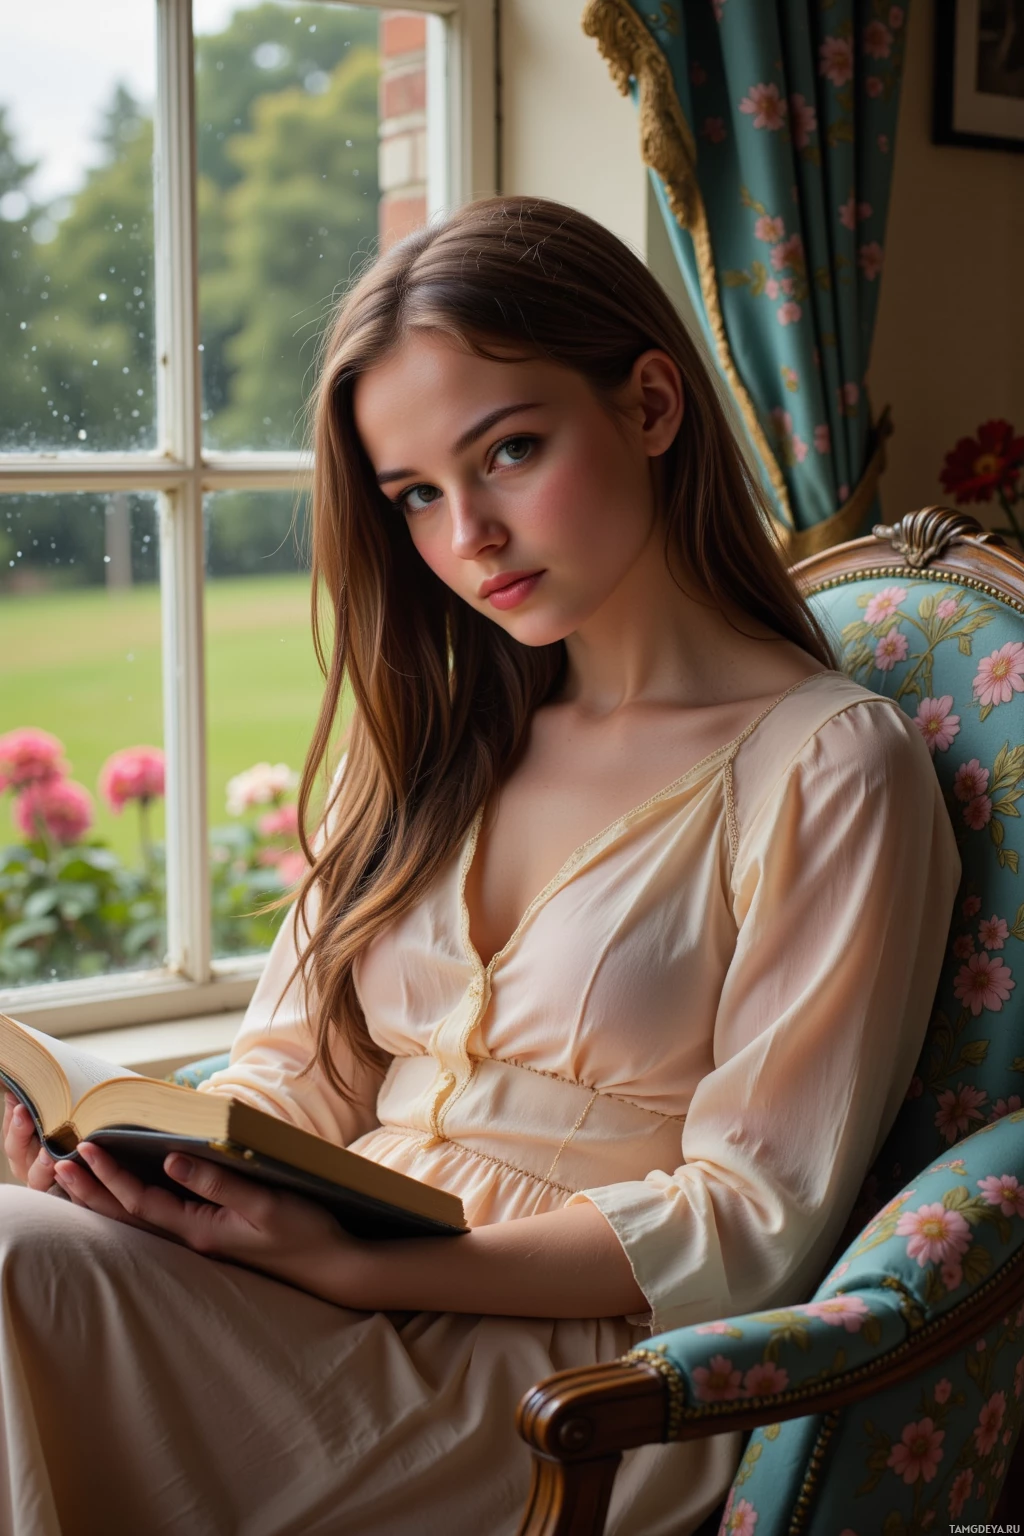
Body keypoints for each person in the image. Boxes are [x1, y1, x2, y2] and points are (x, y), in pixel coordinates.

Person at [0, 196, 960, 1536]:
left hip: (570, 1373)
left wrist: (368, 1271)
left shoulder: (826, 767)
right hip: (318, 1293)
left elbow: (753, 1220)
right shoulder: (427, 743)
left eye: (508, 451)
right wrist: (130, 1174)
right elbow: (294, 1071)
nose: (469, 539)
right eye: (417, 497)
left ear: (652, 404)